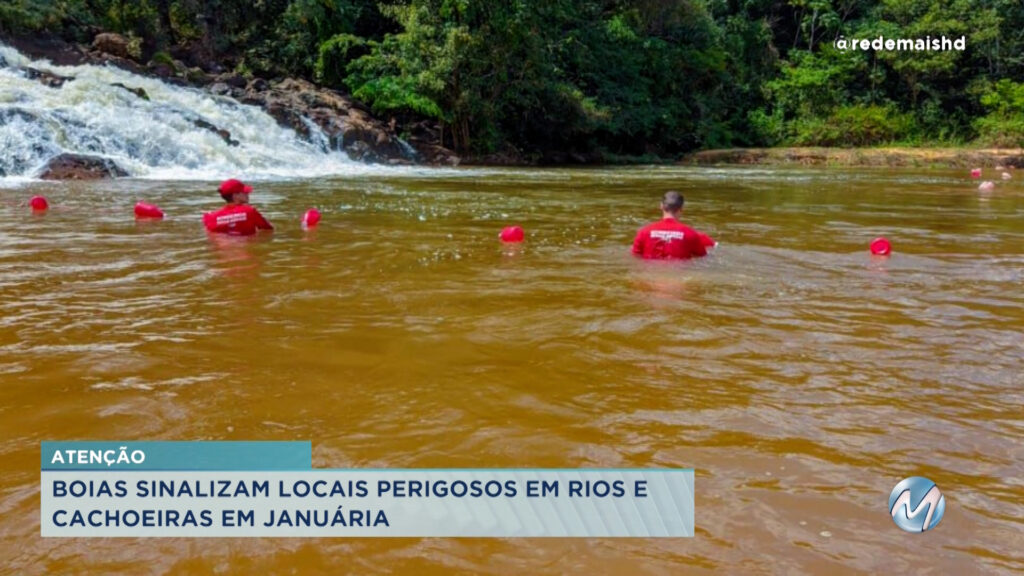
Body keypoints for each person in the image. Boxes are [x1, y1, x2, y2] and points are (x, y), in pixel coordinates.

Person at [632, 191, 715, 260]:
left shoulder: (644, 232)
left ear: (661, 206)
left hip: (649, 277)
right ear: (681, 209)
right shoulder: (691, 234)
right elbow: (702, 257)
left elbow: (636, 256)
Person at [203, 179, 273, 235]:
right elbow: (268, 230)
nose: (247, 194)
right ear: (235, 195)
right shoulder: (250, 211)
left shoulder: (210, 218)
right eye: (244, 192)